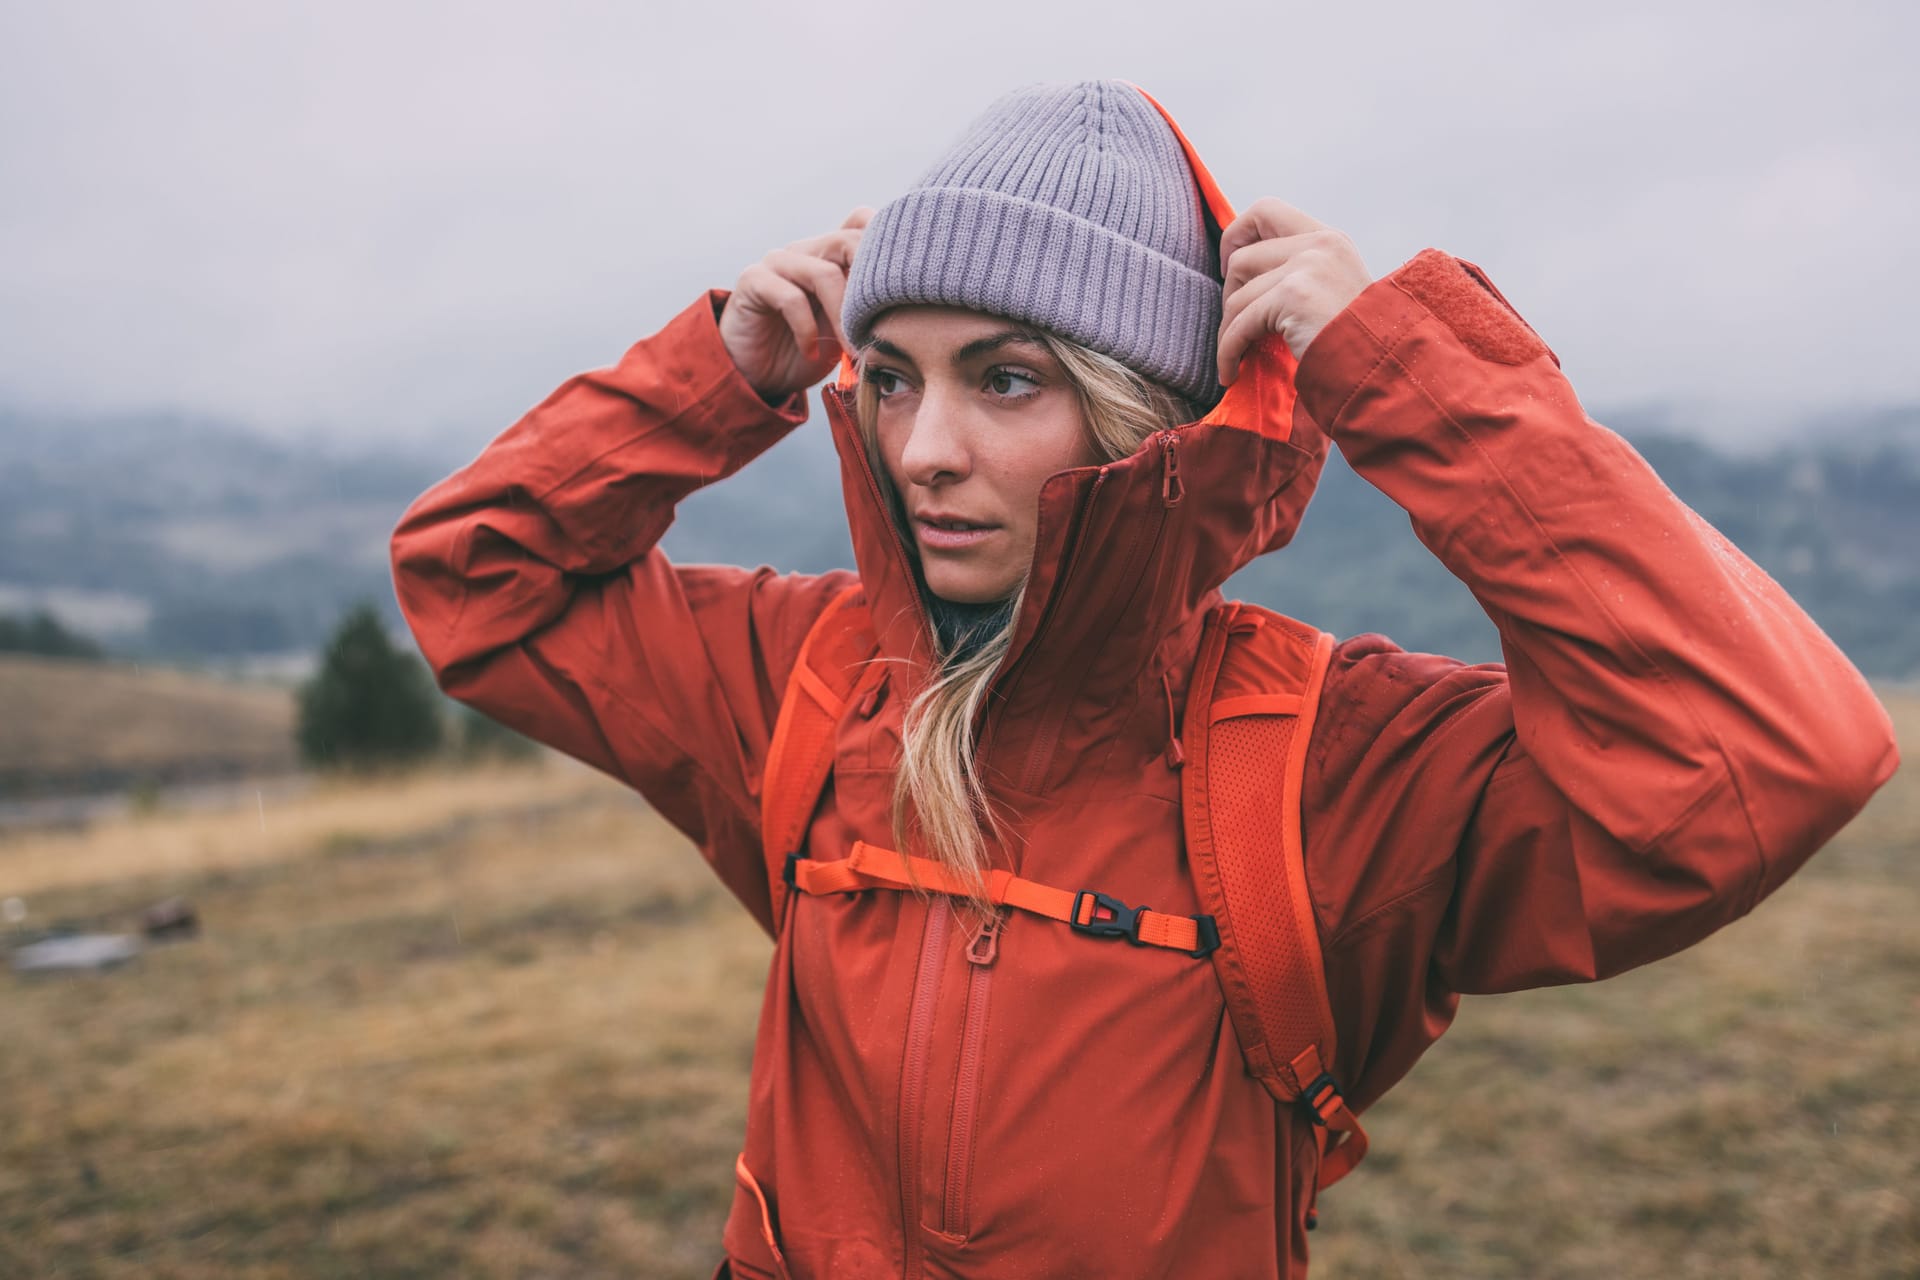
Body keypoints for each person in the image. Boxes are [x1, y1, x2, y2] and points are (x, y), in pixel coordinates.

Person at [389, 79, 1900, 1280]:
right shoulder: (807, 682)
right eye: (895, 373)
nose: (921, 449)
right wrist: (718, 369)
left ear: (1147, 423)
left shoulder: (1328, 769)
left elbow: (1765, 762)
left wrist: (1403, 370)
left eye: (1009, 378)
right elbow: (473, 579)